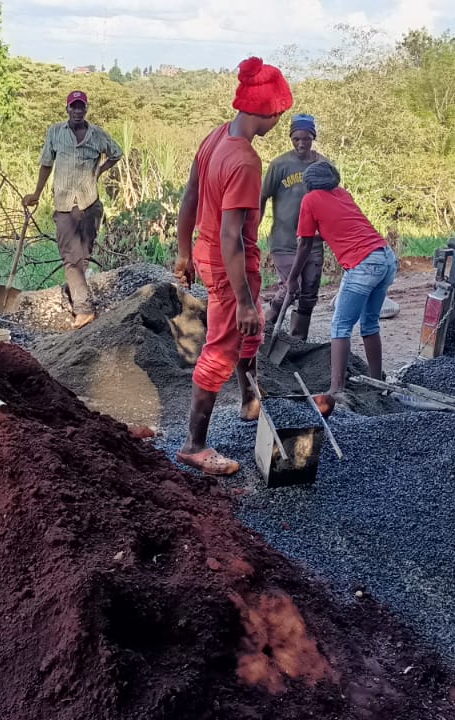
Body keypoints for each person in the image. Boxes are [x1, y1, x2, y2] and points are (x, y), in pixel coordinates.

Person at [172, 56, 292, 476]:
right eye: (281, 113)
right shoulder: (244, 161)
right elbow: (231, 237)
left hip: (209, 253)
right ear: (271, 113)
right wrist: (241, 298)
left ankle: (249, 399)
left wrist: (184, 251)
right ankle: (194, 445)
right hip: (228, 265)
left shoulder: (216, 137)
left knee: (252, 327)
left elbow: (190, 197)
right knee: (223, 346)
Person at [287, 161, 396, 416]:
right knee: (369, 323)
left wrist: (292, 279)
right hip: (386, 258)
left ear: (309, 184)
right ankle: (377, 380)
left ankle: (336, 389)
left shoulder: (311, 199)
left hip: (363, 263)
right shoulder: (342, 193)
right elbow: (338, 224)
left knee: (340, 326)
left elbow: (304, 246)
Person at [23, 90, 124, 329]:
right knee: (70, 258)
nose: (78, 111)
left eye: (82, 107)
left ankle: (79, 294)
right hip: (65, 205)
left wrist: (99, 171)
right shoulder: (56, 133)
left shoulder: (97, 135)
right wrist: (36, 193)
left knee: (83, 256)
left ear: (86, 109)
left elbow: (116, 153)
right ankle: (84, 309)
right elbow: (46, 164)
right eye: (73, 107)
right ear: (67, 109)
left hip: (89, 204)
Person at [260, 114, 323, 338]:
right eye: (296, 138)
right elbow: (262, 197)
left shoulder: (322, 165)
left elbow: (333, 201)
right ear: (290, 138)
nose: (301, 143)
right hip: (284, 240)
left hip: (313, 242)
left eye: (306, 138)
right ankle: (265, 328)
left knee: (308, 296)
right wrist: (251, 230)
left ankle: (298, 342)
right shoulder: (280, 165)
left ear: (313, 137)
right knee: (290, 287)